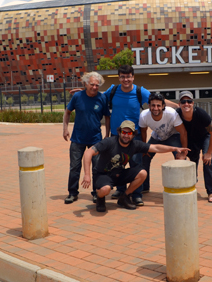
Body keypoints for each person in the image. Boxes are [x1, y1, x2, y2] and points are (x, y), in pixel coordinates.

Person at [104, 65, 178, 205]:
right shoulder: (112, 90)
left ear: (133, 77)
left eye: (128, 76)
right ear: (119, 77)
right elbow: (99, 99)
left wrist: (178, 106)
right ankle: (120, 189)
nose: (126, 79)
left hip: (134, 136)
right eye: (123, 76)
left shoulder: (139, 91)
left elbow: (158, 101)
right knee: (117, 164)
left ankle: (136, 194)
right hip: (116, 134)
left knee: (136, 164)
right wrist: (83, 93)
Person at [81, 120, 189, 212]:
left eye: (129, 133)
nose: (126, 135)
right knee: (105, 189)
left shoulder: (135, 144)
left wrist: (175, 149)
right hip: (103, 175)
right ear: (119, 132)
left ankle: (124, 197)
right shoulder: (109, 142)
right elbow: (88, 152)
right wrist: (86, 174)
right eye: (124, 132)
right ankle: (100, 198)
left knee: (142, 173)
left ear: (133, 134)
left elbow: (155, 147)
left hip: (119, 174)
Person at [62, 72, 110, 204]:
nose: (95, 87)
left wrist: (107, 134)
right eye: (92, 84)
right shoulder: (77, 96)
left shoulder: (102, 98)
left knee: (97, 167)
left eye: (97, 85)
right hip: (77, 138)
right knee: (74, 167)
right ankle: (72, 193)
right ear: (85, 84)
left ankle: (96, 192)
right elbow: (67, 113)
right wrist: (65, 129)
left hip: (96, 139)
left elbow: (107, 116)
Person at [138, 92, 188, 194]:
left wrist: (184, 149)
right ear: (149, 106)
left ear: (163, 106)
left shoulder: (171, 114)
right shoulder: (144, 115)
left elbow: (183, 132)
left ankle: (183, 186)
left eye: (158, 105)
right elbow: (143, 132)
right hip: (156, 137)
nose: (155, 108)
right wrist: (144, 148)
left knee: (181, 158)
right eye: (153, 105)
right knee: (145, 157)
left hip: (173, 136)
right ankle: (144, 187)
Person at [176, 91, 212, 203]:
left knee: (207, 161)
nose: (186, 104)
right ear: (179, 104)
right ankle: (191, 183)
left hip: (205, 137)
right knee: (190, 161)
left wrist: (208, 153)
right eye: (183, 101)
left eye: (189, 101)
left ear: (193, 103)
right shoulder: (177, 114)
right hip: (190, 139)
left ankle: (211, 191)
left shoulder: (201, 114)